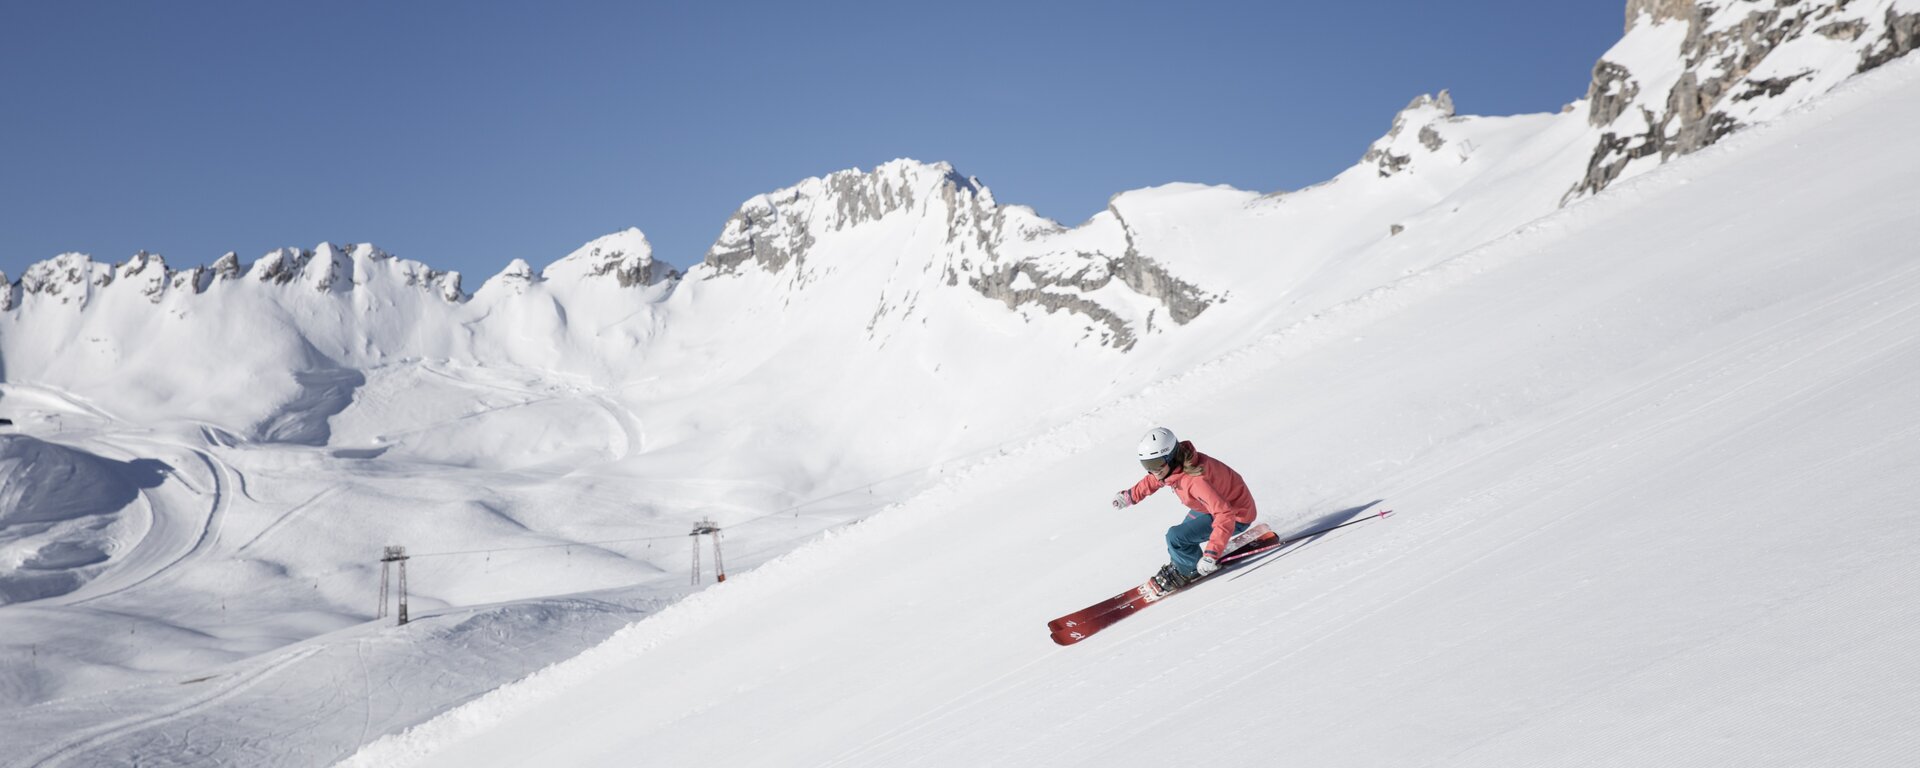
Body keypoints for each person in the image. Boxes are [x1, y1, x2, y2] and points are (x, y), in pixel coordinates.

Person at [1110, 427, 1258, 593]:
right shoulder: (1174, 467)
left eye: (1155, 464)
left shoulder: (1195, 481)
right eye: (1147, 465)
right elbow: (1152, 480)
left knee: (1176, 537)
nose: (1153, 471)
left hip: (1236, 515)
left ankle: (1187, 572)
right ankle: (1183, 564)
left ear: (1171, 457)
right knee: (1181, 538)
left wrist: (1211, 555)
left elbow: (1224, 514)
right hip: (1213, 506)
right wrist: (1130, 496)